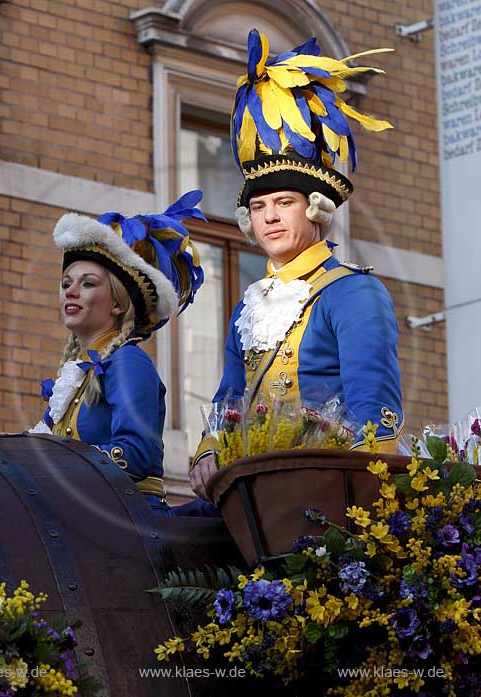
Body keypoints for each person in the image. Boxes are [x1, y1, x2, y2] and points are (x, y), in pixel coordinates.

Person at [188, 29, 403, 502]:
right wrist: (206, 453)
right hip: (252, 488)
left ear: (316, 209)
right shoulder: (250, 306)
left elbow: (375, 409)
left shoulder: (352, 293)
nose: (269, 215)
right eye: (260, 205)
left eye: (284, 201)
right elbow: (229, 396)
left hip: (327, 489)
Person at [32, 192, 205, 516]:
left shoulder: (127, 361)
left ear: (116, 304)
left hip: (129, 525)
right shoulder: (78, 375)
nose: (70, 290)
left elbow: (135, 454)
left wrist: (56, 467)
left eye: (87, 284)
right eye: (66, 283)